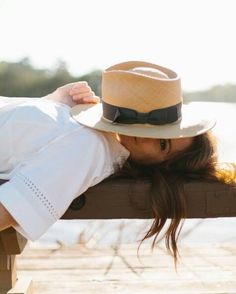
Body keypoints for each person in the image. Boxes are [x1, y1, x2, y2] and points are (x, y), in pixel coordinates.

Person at [0, 61, 235, 264]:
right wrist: (54, 102)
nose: (147, 133)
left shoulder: (90, 148)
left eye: (162, 143)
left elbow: (8, 212)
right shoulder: (90, 135)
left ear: (161, 167)